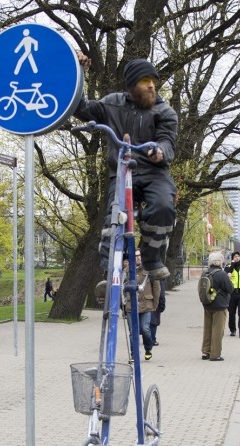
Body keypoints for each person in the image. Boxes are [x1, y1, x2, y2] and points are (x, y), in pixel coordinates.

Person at [75, 54, 178, 280]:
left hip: (154, 173)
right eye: (145, 80)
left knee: (163, 206)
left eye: (154, 80)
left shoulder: (165, 112)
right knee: (114, 215)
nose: (152, 85)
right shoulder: (112, 103)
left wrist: (160, 152)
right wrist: (79, 72)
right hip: (122, 171)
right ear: (132, 85)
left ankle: (151, 257)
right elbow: (81, 108)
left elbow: (168, 142)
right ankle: (108, 272)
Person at [123, 250, 160, 361]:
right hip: (131, 305)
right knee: (132, 332)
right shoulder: (126, 271)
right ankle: (134, 354)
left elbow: (156, 288)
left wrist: (155, 304)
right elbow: (121, 288)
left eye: (140, 256)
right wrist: (122, 305)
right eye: (135, 256)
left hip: (146, 305)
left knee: (145, 329)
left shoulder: (149, 270)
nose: (138, 258)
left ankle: (148, 348)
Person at [201, 252, 234, 362]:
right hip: (219, 306)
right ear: (220, 261)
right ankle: (215, 355)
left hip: (207, 304)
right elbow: (230, 289)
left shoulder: (205, 273)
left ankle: (206, 352)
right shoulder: (222, 274)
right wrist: (229, 278)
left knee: (207, 329)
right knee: (217, 330)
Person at [150, 278, 166, 346]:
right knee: (153, 321)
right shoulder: (158, 275)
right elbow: (161, 292)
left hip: (142, 301)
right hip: (154, 302)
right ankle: (152, 339)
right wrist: (162, 305)